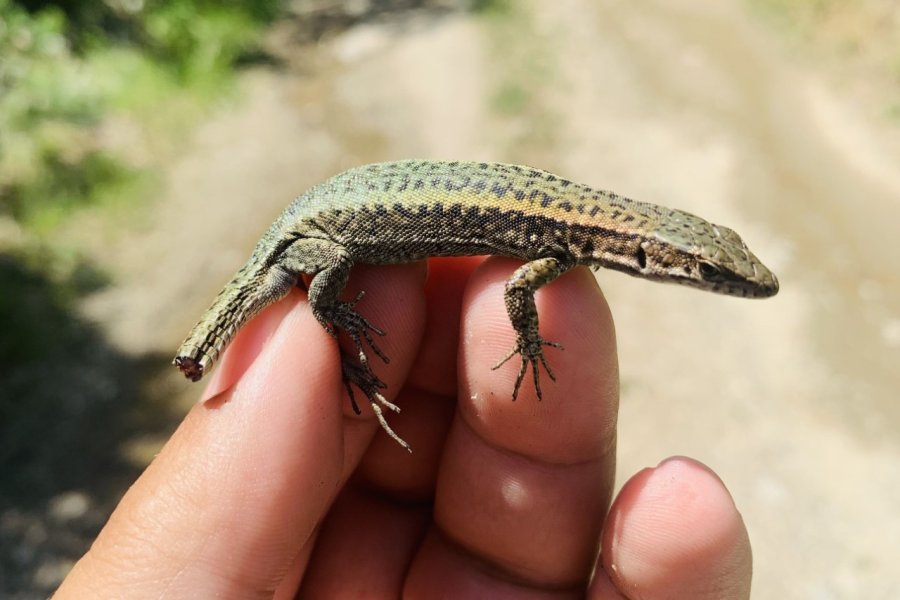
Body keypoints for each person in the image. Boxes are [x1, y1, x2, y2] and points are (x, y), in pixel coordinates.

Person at [56, 257, 752, 598]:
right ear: (671, 264)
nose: (727, 285)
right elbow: (515, 290)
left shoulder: (571, 246)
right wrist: (531, 344)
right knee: (319, 310)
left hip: (352, 221)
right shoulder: (564, 249)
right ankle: (230, 338)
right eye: (716, 277)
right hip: (334, 232)